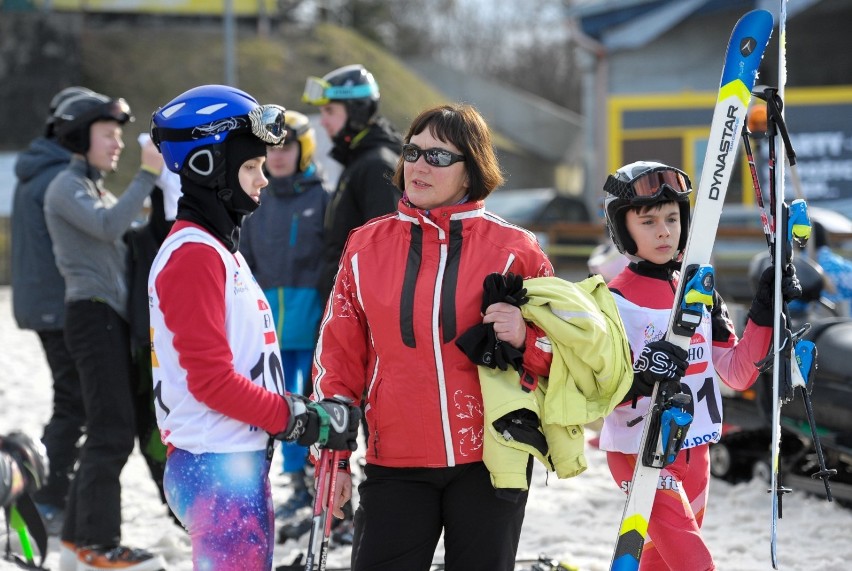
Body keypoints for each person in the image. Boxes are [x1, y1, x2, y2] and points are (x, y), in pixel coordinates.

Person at [310, 103, 554, 571]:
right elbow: (338, 357)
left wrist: (526, 338)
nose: (419, 165)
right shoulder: (365, 246)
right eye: (414, 152)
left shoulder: (515, 251)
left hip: (492, 459)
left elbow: (563, 356)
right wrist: (335, 455)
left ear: (471, 171)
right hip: (394, 461)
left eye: (439, 157)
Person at [148, 84, 360, 570]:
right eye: (249, 167)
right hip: (216, 463)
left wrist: (302, 414)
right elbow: (211, 381)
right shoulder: (195, 256)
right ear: (207, 167)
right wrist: (298, 419)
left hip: (231, 458)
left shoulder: (219, 250)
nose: (262, 179)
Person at [597, 161, 799, 570]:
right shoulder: (612, 301)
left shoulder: (700, 292)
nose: (664, 231)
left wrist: (765, 307)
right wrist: (641, 378)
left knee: (660, 565)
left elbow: (737, 371)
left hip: (696, 450)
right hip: (642, 452)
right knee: (694, 564)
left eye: (672, 218)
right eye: (648, 221)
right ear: (623, 229)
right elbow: (592, 392)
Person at [43, 90, 167, 570]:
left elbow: (130, 227)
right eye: (109, 134)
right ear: (81, 136)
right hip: (90, 316)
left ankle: (78, 540)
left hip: (109, 318)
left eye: (119, 135)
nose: (117, 143)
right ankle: (99, 542)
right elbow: (110, 225)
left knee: (108, 430)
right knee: (110, 432)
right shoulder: (64, 186)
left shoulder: (94, 185)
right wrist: (147, 173)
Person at [10, 86, 93, 535]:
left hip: (40, 303)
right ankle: (42, 495)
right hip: (56, 304)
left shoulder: (36, 169)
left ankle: (44, 489)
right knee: (74, 403)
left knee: (70, 400)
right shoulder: (58, 178)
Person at [239, 110, 330, 519]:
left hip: (309, 321)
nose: (277, 156)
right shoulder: (256, 197)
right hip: (268, 325)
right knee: (278, 407)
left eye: (286, 147)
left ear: (304, 149)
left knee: (311, 402)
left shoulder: (322, 197)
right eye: (271, 148)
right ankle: (294, 482)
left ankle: (317, 475)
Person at [302, 63, 403, 301]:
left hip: (358, 309)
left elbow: (384, 253)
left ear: (356, 111)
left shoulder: (376, 166)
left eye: (329, 111)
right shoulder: (359, 160)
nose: (323, 121)